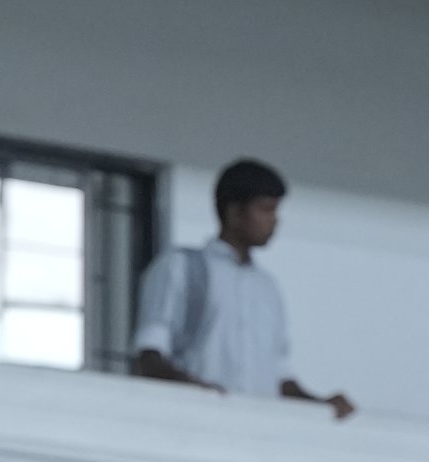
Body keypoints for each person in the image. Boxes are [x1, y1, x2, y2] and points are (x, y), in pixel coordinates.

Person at [133, 157, 354, 417]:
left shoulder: (267, 288)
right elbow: (150, 356)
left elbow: (280, 378)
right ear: (235, 212)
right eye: (266, 210)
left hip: (257, 430)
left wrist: (321, 405)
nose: (275, 221)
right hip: (194, 421)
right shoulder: (182, 267)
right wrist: (195, 392)